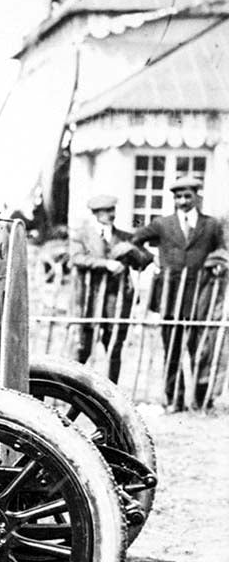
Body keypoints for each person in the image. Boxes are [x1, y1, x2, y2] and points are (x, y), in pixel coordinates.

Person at [128, 175, 228, 411]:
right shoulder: (163, 224)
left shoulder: (211, 225)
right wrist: (152, 259)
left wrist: (216, 263)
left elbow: (223, 250)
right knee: (172, 348)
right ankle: (174, 399)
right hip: (170, 294)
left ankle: (203, 399)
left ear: (197, 196)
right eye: (178, 197)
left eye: (187, 196)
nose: (182, 201)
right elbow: (136, 239)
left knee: (200, 348)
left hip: (200, 294)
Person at [67, 194, 152, 382]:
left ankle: (112, 393)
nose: (110, 215)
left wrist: (131, 251)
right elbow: (76, 258)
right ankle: (74, 388)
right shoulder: (82, 235)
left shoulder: (124, 236)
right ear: (95, 213)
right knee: (83, 347)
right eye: (105, 211)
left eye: (112, 210)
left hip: (118, 300)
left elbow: (145, 259)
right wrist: (105, 264)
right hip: (90, 299)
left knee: (114, 347)